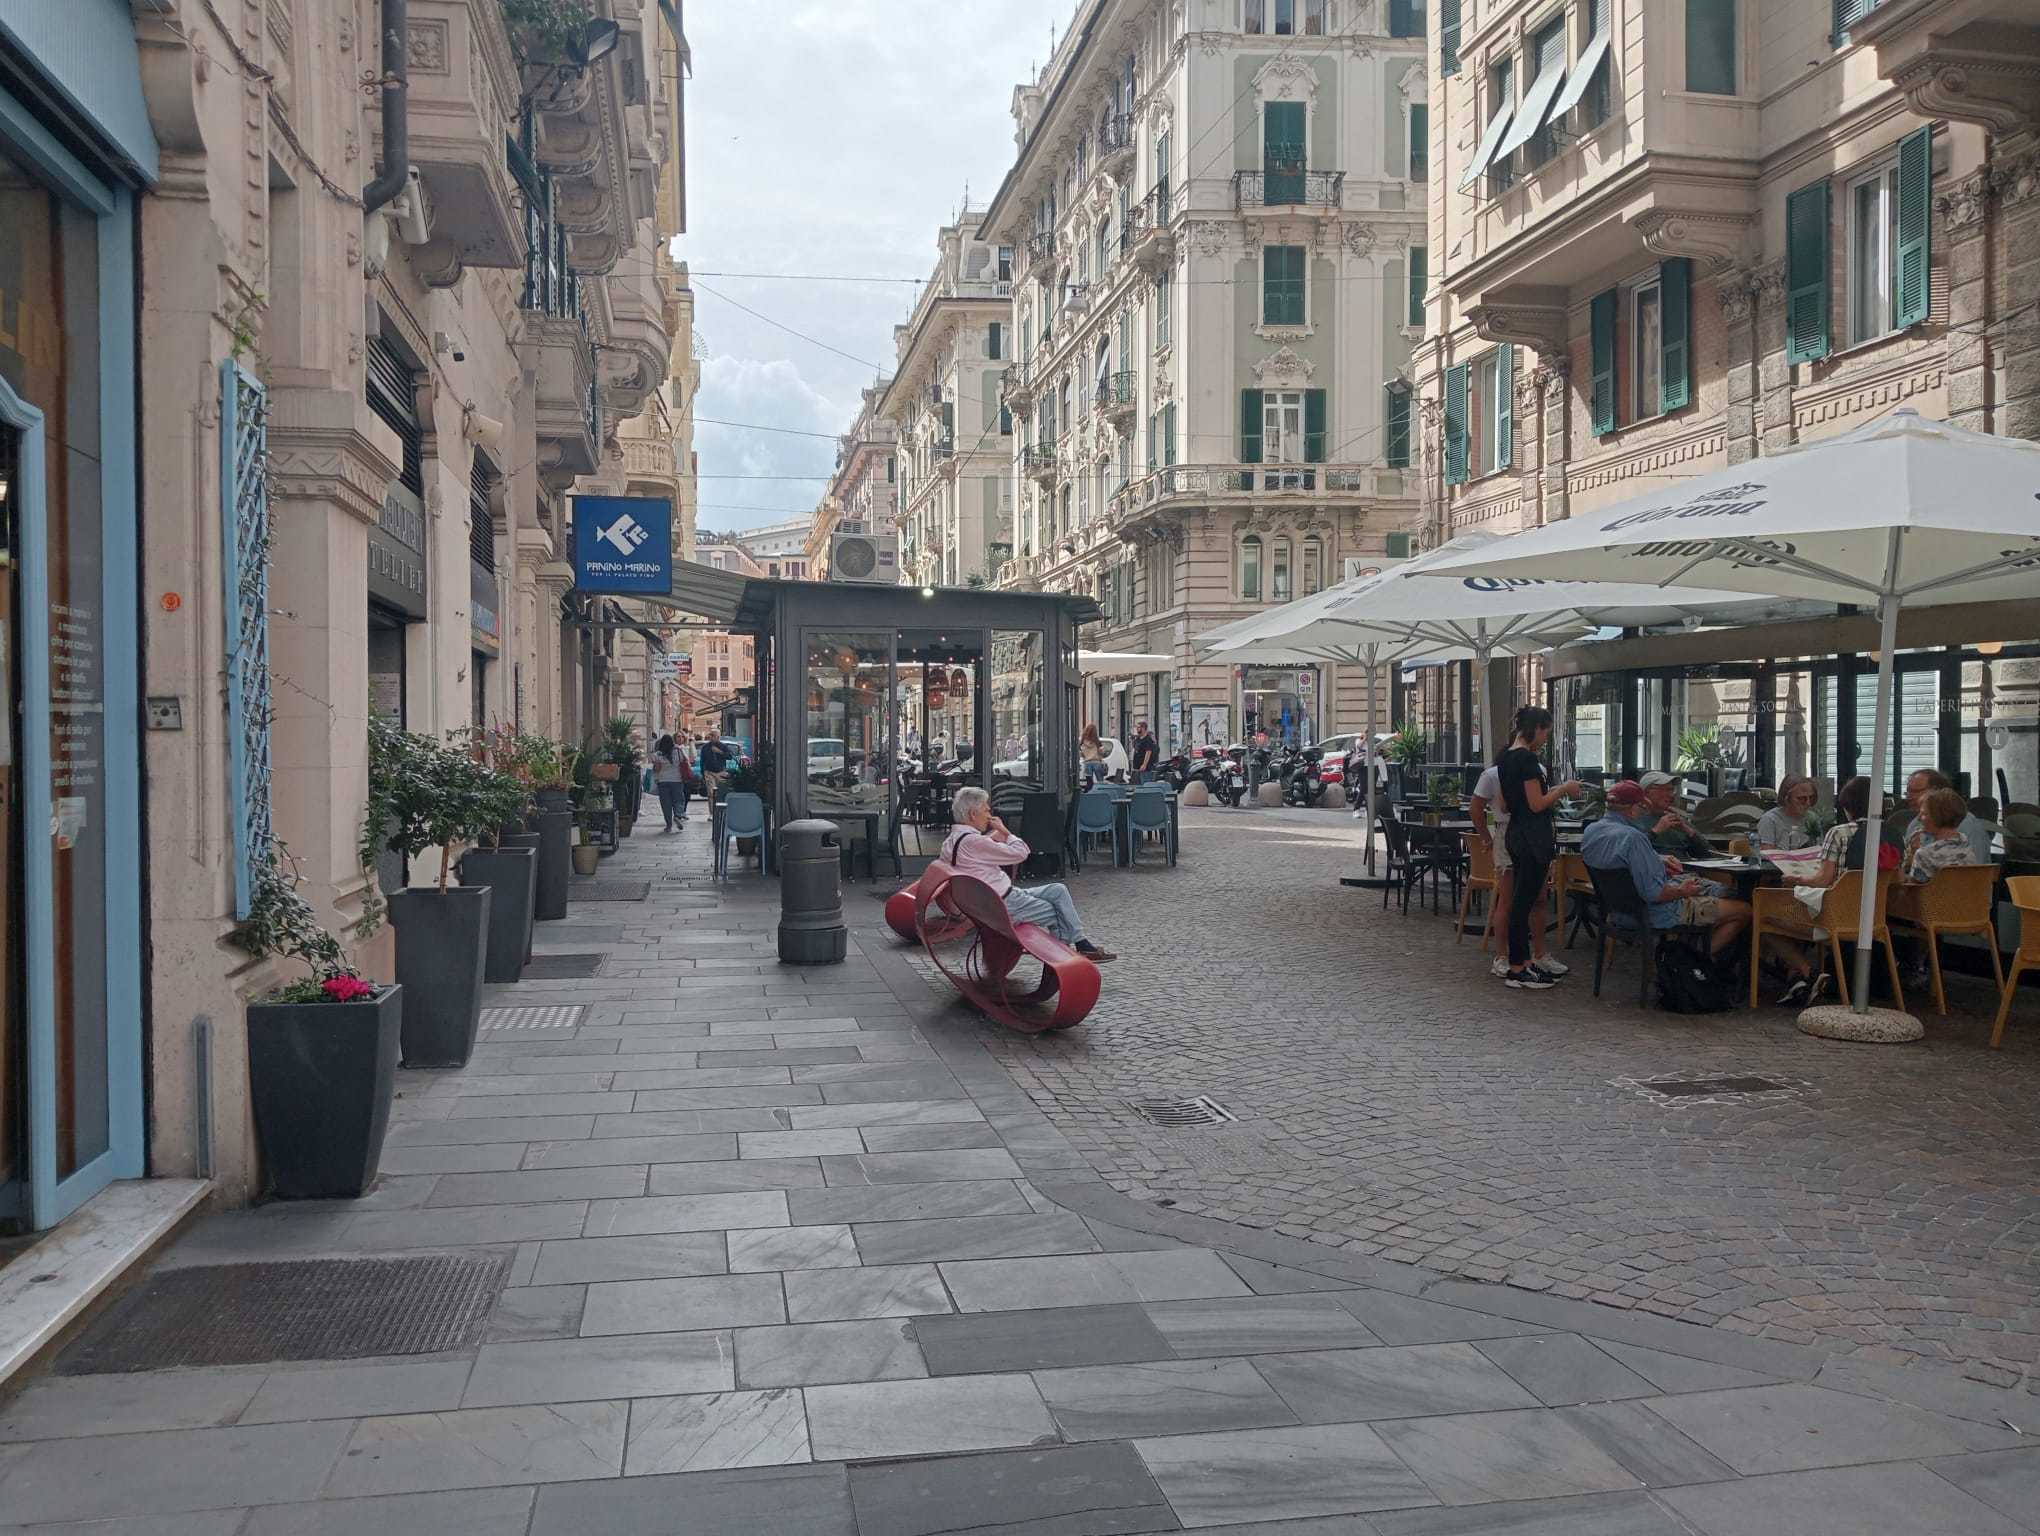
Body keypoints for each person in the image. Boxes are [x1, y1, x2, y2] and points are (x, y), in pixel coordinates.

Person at [942, 787, 1116, 962]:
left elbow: (975, 857)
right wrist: (1005, 831)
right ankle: (1061, 963)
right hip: (1004, 904)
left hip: (994, 899)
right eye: (986, 810)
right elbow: (1021, 853)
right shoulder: (975, 842)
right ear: (973, 814)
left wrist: (990, 840)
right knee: (1060, 914)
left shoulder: (951, 842)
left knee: (1058, 890)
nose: (989, 815)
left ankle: (1082, 944)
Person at [1582, 780, 1751, 957]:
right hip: (1658, 914)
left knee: (1722, 895)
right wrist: (1683, 891)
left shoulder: (1592, 831)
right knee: (1744, 909)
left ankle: (1686, 948)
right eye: (1642, 808)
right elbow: (1655, 894)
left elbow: (1620, 865)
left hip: (1618, 913)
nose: (1644, 813)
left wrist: (1657, 859)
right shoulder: (1633, 838)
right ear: (1632, 809)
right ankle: (1690, 959)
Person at [1496, 707, 1583, 990]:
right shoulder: (1527, 759)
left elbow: (1505, 804)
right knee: (1524, 904)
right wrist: (1563, 788)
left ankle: (1523, 963)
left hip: (1515, 834)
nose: (1545, 739)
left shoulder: (1505, 757)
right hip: (1533, 838)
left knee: (1521, 901)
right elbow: (1536, 804)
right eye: (1545, 733)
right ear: (1536, 728)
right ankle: (1518, 968)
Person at [1469, 759, 1565, 979]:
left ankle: (1539, 954)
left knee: (1539, 898)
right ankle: (1502, 956)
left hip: (1534, 834)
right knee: (1508, 899)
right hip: (1510, 833)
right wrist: (1486, 838)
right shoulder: (1493, 775)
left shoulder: (1538, 769)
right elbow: (1476, 808)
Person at [1904, 769, 1995, 866]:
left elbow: (1974, 870)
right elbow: (1907, 864)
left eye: (1915, 791)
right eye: (1907, 792)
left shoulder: (1967, 825)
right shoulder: (1915, 824)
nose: (1909, 797)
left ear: (1935, 791)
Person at [1905, 786, 1983, 884]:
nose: (1919, 818)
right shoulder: (1967, 846)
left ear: (1936, 817)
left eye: (1924, 814)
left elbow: (1913, 888)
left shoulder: (1924, 855)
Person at [1638, 771, 1714, 860]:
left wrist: (1689, 832)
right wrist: (1655, 831)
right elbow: (1632, 851)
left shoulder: (1677, 819)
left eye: (1672, 790)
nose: (1671, 795)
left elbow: (1710, 855)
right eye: (1665, 790)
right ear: (1646, 792)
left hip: (1686, 867)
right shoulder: (1633, 818)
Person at [1757, 775, 1819, 851]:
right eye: (1801, 798)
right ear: (1786, 798)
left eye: (1811, 797)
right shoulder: (1770, 820)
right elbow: (1767, 853)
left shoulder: (1812, 818)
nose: (1808, 803)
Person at [650, 733, 690, 832]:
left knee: (666, 804)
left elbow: (657, 769)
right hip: (677, 780)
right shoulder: (678, 751)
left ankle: (668, 825)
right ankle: (678, 815)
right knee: (679, 800)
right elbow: (686, 760)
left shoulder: (657, 755)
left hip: (662, 781)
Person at [698, 733, 729, 801]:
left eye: (714, 736)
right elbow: (702, 760)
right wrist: (703, 772)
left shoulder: (723, 746)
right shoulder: (705, 747)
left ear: (718, 737)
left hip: (721, 772)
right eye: (711, 736)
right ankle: (712, 807)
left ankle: (719, 806)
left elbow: (729, 757)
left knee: (720, 792)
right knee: (711, 792)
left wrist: (720, 752)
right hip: (709, 772)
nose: (712, 738)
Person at [1244, 728, 1271, 807]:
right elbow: (1263, 745)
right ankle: (1254, 796)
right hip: (1260, 755)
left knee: (1262, 768)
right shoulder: (1261, 737)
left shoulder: (1259, 737)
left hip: (1261, 755)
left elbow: (1263, 745)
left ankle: (1254, 796)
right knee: (1262, 768)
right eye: (1266, 731)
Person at [1130, 720, 1159, 785]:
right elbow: (1136, 748)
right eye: (1136, 727)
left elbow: (1148, 752)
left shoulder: (1147, 739)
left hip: (1145, 768)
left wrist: (1144, 764)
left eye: (1138, 727)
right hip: (1137, 767)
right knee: (1139, 785)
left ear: (1143, 728)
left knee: (1145, 784)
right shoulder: (1138, 738)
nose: (1137, 729)